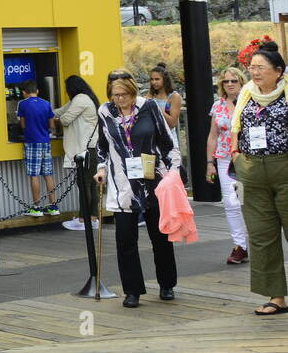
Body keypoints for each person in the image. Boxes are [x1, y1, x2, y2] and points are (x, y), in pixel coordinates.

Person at [94, 72, 180, 308]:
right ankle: (132, 291)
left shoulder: (149, 107)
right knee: (125, 239)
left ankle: (166, 284)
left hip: (153, 181)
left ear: (133, 94)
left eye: (123, 95)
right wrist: (101, 168)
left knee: (160, 236)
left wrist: (172, 173)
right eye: (114, 95)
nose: (119, 100)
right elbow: (102, 145)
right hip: (122, 184)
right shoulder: (105, 112)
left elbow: (167, 141)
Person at [230, 40, 288, 315]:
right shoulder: (246, 94)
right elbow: (235, 127)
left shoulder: (287, 92)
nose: (254, 72)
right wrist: (235, 155)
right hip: (251, 170)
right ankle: (276, 296)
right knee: (261, 235)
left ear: (278, 70)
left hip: (285, 167)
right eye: (252, 67)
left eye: (260, 67)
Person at [206, 66, 249, 265]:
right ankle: (239, 245)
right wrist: (209, 163)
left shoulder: (250, 101)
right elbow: (213, 136)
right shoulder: (218, 106)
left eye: (234, 81)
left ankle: (253, 243)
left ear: (241, 82)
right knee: (231, 203)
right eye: (226, 81)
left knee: (246, 202)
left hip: (247, 159)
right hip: (224, 159)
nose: (230, 84)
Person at [56, 75, 102, 232]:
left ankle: (84, 219)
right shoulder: (85, 97)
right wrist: (43, 108)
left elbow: (65, 119)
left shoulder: (80, 99)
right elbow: (60, 111)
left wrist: (51, 119)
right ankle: (93, 218)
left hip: (86, 149)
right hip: (91, 148)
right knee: (90, 184)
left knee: (84, 184)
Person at [17, 81, 58, 217]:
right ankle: (53, 206)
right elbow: (52, 125)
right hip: (45, 142)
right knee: (48, 174)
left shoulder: (22, 104)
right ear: (37, 91)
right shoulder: (46, 104)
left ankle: (37, 207)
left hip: (31, 142)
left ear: (24, 92)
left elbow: (22, 125)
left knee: (34, 175)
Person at [148, 63, 183, 150]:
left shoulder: (174, 97)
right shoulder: (150, 96)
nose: (154, 82)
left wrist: (155, 106)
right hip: (153, 142)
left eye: (157, 79)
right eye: (152, 79)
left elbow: (172, 123)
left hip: (169, 141)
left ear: (165, 79)